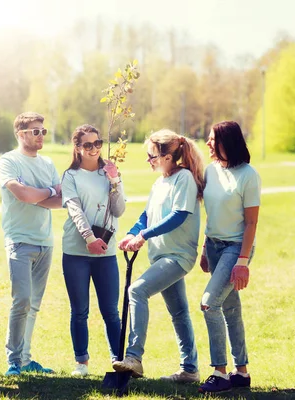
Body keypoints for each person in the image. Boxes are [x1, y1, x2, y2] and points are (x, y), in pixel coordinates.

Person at [113, 129, 204, 383]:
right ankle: (190, 370)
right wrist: (132, 233)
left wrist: (144, 236)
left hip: (177, 256)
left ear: (166, 156)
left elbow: (179, 215)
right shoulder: (160, 181)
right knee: (179, 313)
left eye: (151, 155)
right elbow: (146, 215)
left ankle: (134, 357)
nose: (149, 160)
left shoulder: (184, 178)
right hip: (161, 255)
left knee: (137, 291)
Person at [0, 111, 63, 376]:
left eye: (43, 131)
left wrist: (37, 195)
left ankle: (25, 359)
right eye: (36, 131)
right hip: (19, 240)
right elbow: (21, 194)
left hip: (45, 241)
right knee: (21, 300)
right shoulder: (8, 161)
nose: (41, 136)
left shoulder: (47, 164)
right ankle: (13, 360)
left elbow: (61, 200)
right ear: (20, 134)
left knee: (33, 304)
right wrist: (43, 193)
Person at [197, 121, 260, 393]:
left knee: (209, 304)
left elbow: (251, 224)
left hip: (236, 249)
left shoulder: (248, 175)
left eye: (213, 139)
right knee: (230, 308)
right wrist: (204, 249)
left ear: (227, 142)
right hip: (213, 246)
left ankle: (220, 373)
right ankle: (241, 373)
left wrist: (242, 262)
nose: (208, 143)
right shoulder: (211, 171)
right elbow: (211, 215)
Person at [61, 124, 126, 376]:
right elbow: (75, 209)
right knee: (79, 311)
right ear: (77, 148)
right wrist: (88, 237)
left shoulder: (109, 172)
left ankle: (119, 361)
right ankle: (81, 363)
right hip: (77, 252)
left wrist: (115, 180)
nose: (94, 149)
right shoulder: (70, 176)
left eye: (97, 143)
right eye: (87, 145)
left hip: (106, 254)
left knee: (111, 310)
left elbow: (118, 210)